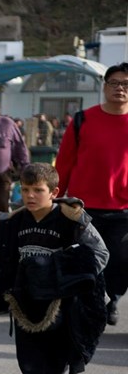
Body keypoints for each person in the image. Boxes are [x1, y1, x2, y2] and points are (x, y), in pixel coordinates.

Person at [0, 163, 108, 374]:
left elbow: (100, 254)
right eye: (25, 190)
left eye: (38, 190)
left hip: (62, 304)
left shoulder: (72, 219)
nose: (30, 196)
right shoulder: (16, 221)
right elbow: (2, 250)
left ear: (54, 192)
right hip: (25, 302)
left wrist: (57, 269)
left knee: (57, 357)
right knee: (29, 357)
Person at [55, 62, 128, 326]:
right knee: (86, 259)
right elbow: (64, 162)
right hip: (82, 206)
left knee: (120, 260)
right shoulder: (83, 119)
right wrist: (55, 197)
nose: (120, 88)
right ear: (105, 86)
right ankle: (94, 302)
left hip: (122, 209)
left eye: (126, 84)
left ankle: (113, 296)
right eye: (115, 83)